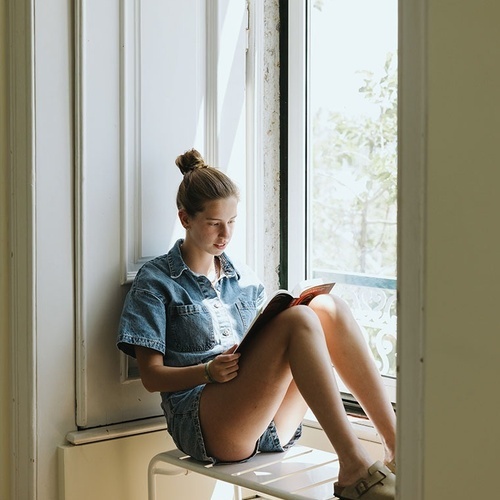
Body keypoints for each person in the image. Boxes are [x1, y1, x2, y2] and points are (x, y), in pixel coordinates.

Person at [117, 149, 396, 500]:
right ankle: (354, 465)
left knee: (327, 307)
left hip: (265, 423)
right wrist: (207, 372)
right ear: (185, 218)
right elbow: (151, 376)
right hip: (206, 424)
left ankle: (397, 448)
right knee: (297, 321)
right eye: (214, 222)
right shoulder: (156, 281)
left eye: (232, 221)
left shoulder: (242, 278)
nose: (225, 233)